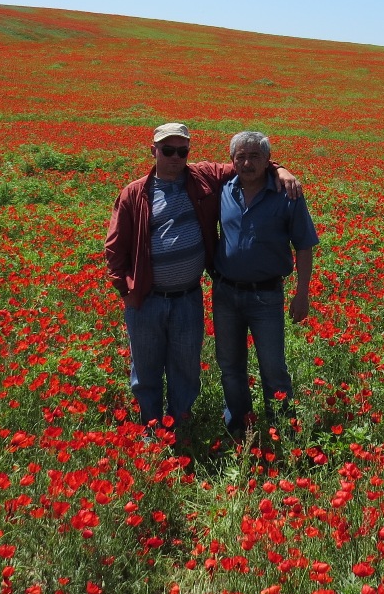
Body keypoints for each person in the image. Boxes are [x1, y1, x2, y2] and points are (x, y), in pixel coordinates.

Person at [104, 122, 298, 441]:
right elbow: (114, 248)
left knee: (186, 368)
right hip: (147, 298)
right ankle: (151, 429)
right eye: (167, 150)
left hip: (188, 297)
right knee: (146, 369)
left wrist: (280, 169)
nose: (175, 156)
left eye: (182, 151)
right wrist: (126, 291)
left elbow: (245, 162)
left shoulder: (201, 177)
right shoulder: (135, 192)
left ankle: (178, 426)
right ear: (153, 151)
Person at [212, 130, 319, 440]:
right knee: (230, 367)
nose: (247, 162)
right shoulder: (222, 188)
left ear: (268, 160)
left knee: (273, 368)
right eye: (241, 156)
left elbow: (303, 245)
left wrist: (302, 293)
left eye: (255, 156)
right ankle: (238, 428)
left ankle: (282, 432)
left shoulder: (288, 195)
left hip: (266, 296)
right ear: (231, 160)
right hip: (225, 293)